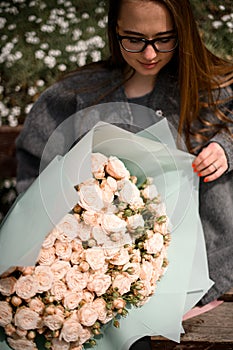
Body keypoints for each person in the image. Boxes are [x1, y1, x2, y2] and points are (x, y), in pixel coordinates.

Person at [15, 0, 233, 349]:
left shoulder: (212, 85)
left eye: (165, 39)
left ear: (185, 34)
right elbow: (36, 168)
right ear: (114, 30)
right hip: (103, 270)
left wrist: (226, 146)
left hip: (205, 265)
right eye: (134, 39)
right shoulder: (80, 92)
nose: (150, 54)